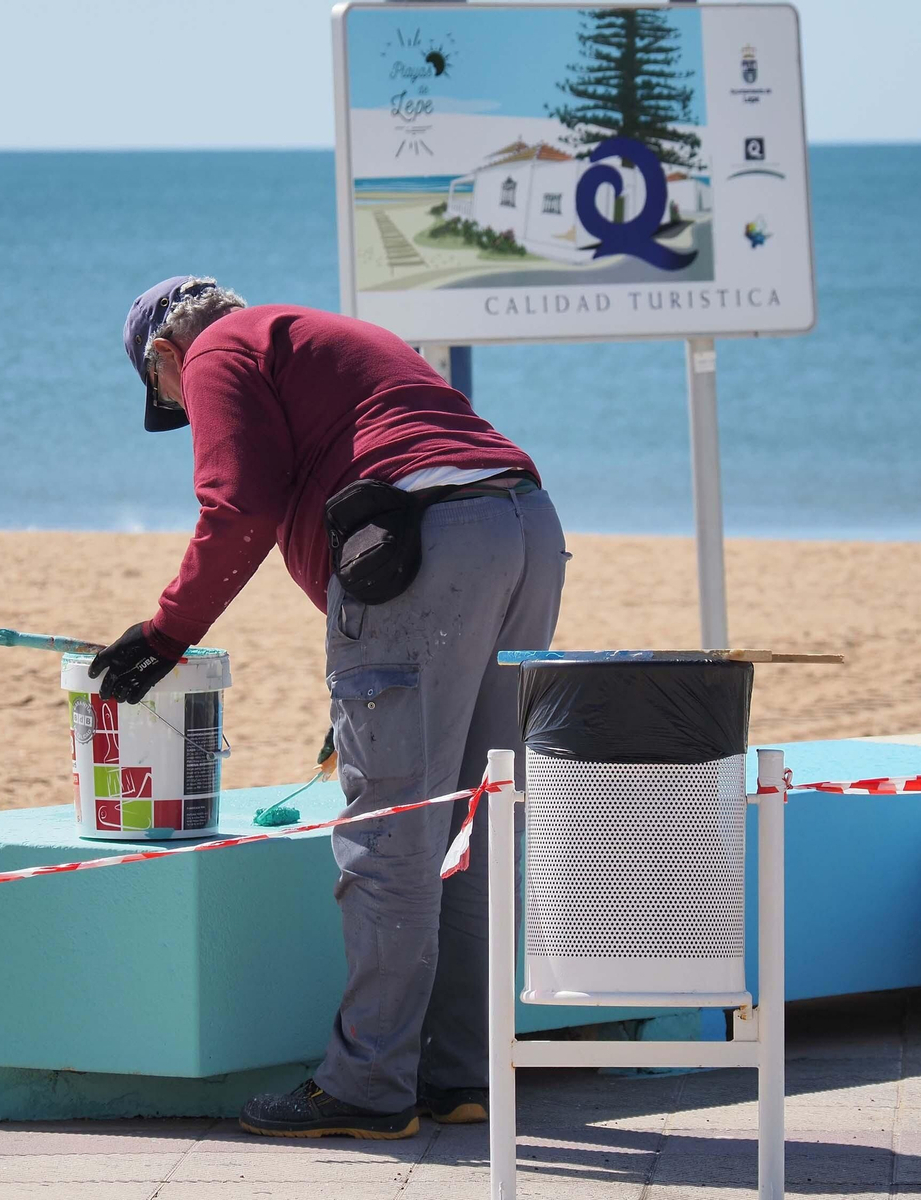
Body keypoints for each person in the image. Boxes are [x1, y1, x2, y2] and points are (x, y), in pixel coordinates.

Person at [91, 276, 567, 1139]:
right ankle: (463, 1075)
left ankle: (368, 1086)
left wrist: (162, 636)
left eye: (171, 402)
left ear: (163, 356)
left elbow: (240, 508)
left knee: (390, 833)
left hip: (426, 537)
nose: (186, 411)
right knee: (471, 823)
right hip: (524, 522)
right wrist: (369, 674)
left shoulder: (215, 350)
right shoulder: (315, 334)